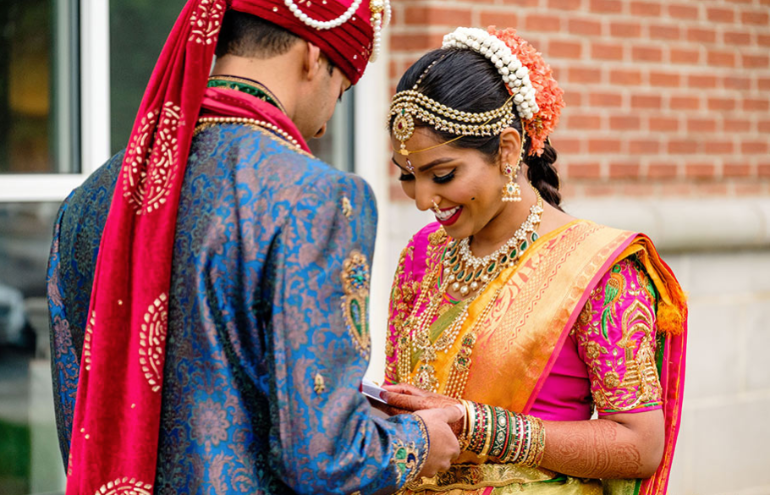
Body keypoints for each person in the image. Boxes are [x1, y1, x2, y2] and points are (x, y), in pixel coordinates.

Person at [47, 2, 462, 494]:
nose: (326, 123)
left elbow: (83, 419)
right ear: (312, 55)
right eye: (342, 90)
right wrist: (416, 440)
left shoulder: (91, 198)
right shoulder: (314, 196)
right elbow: (324, 457)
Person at [381, 27, 687, 495]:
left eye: (442, 174)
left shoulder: (597, 268)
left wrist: (477, 425)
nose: (423, 199)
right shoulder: (422, 254)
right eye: (408, 177)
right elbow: (395, 397)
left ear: (506, 150)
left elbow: (639, 445)